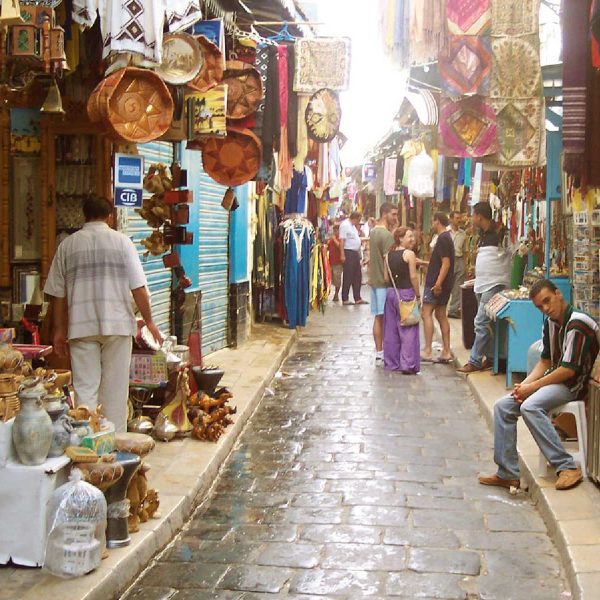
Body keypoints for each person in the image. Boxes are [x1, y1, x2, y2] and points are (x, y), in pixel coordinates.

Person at [44, 195, 162, 433]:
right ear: (110, 215)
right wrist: (149, 322)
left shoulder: (68, 245)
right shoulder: (122, 242)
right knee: (115, 390)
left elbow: (57, 294)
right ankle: (114, 449)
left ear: (84, 215)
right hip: (118, 326)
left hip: (81, 327)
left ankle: (86, 445)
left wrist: (58, 330)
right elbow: (138, 287)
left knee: (85, 389)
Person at [479, 279, 600, 491]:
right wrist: (523, 386)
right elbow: (545, 361)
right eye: (540, 306)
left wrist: (532, 388)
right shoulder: (551, 323)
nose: (546, 308)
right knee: (503, 406)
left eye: (547, 301)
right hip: (556, 381)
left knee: (530, 406)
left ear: (558, 294)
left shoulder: (578, 323)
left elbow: (567, 370)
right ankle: (507, 472)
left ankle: (566, 466)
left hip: (574, 386)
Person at [457, 202, 510, 373]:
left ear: (479, 216)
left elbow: (507, 254)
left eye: (473, 215)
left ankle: (475, 360)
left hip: (494, 284)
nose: (472, 219)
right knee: (489, 323)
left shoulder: (499, 233)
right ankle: (491, 358)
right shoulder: (483, 235)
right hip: (482, 283)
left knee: (481, 322)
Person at [383, 227, 421, 374]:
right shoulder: (409, 254)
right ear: (400, 238)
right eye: (409, 236)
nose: (412, 239)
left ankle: (392, 362)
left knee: (391, 329)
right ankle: (408, 364)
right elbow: (413, 277)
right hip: (406, 293)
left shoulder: (387, 255)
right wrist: (417, 295)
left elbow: (386, 278)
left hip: (391, 293)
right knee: (409, 328)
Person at [421, 212, 454, 364]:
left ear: (437, 222)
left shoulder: (442, 239)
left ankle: (428, 349)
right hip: (444, 283)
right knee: (441, 315)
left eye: (433, 221)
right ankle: (446, 350)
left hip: (436, 284)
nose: (432, 225)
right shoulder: (447, 238)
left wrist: (438, 283)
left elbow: (445, 263)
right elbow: (441, 263)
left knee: (426, 313)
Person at [369, 203, 398, 366]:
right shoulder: (386, 236)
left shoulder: (374, 232)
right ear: (384, 214)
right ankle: (383, 352)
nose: (395, 218)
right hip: (383, 282)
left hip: (374, 280)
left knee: (378, 317)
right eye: (393, 214)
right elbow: (389, 260)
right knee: (384, 318)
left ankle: (379, 352)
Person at [339, 211, 368, 305]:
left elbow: (356, 239)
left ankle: (357, 297)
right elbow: (342, 240)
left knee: (357, 275)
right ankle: (345, 298)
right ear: (355, 218)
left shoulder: (353, 227)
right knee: (348, 275)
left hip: (355, 253)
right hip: (348, 252)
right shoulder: (345, 225)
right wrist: (342, 254)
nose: (358, 222)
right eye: (358, 220)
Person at [447, 211, 467, 318]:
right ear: (450, 219)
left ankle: (453, 310)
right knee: (446, 285)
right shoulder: (445, 232)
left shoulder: (463, 234)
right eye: (457, 218)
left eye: (460, 218)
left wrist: (465, 266)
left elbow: (465, 251)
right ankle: (441, 306)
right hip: (447, 260)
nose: (459, 220)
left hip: (459, 260)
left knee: (457, 286)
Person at [327, 224, 343, 302]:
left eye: (337, 230)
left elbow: (340, 247)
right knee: (330, 278)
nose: (335, 232)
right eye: (334, 230)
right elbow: (328, 247)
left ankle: (336, 294)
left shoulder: (341, 238)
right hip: (331, 261)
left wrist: (334, 239)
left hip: (338, 262)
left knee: (337, 279)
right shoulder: (331, 239)